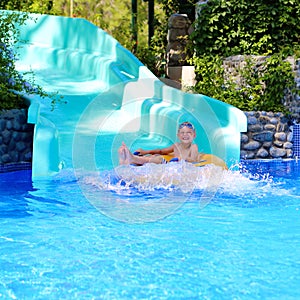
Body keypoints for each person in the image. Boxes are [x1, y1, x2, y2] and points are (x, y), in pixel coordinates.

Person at [118, 121, 203, 165]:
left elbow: (194, 160)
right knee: (155, 156)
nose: (185, 135)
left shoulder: (193, 147)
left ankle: (133, 159)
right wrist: (145, 152)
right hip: (171, 165)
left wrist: (183, 158)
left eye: (189, 133)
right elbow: (161, 151)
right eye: (182, 133)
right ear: (178, 135)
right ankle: (129, 160)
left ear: (194, 135)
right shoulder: (176, 146)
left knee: (159, 160)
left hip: (176, 168)